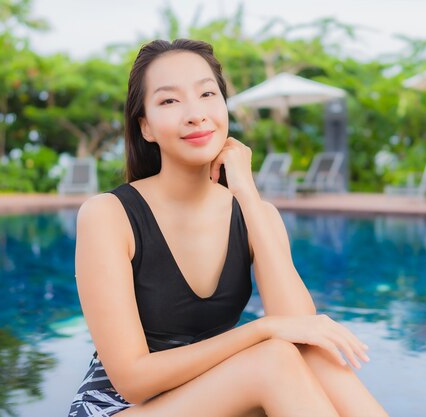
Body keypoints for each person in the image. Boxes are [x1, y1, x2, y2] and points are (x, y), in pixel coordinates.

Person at [68, 38, 388, 417]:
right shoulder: (109, 215)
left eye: (207, 94)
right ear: (146, 127)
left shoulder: (254, 213)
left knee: (306, 352)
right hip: (119, 407)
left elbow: (303, 330)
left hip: (210, 395)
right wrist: (261, 330)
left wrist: (249, 196)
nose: (195, 114)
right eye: (169, 101)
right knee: (274, 358)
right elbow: (133, 380)